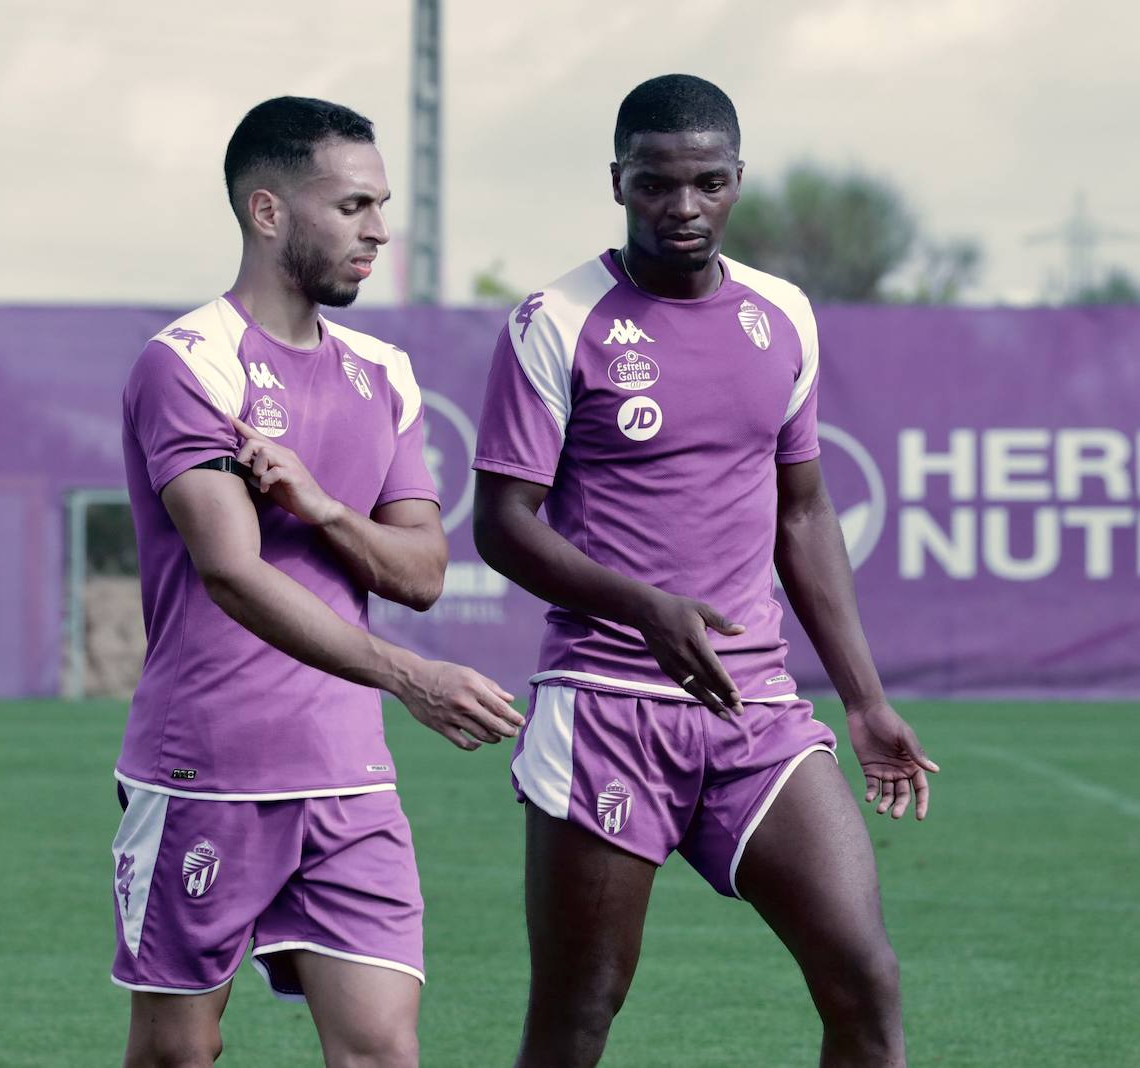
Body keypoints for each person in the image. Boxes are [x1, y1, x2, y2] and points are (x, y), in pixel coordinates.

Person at [472, 74, 940, 1068]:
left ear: (738, 180)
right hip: (606, 707)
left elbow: (803, 511)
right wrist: (644, 609)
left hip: (757, 711)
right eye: (655, 184)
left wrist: (863, 700)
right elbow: (502, 526)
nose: (682, 208)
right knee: (580, 1010)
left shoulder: (784, 315)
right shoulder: (557, 320)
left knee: (867, 981)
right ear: (617, 181)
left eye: (707, 183)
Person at [112, 95, 522, 1068]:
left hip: (350, 776)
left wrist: (327, 506)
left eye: (382, 205)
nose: (378, 230)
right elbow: (232, 573)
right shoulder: (188, 365)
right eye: (351, 207)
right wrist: (410, 677)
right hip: (207, 768)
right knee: (179, 1053)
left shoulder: (385, 372)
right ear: (267, 211)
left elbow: (423, 572)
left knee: (381, 1048)